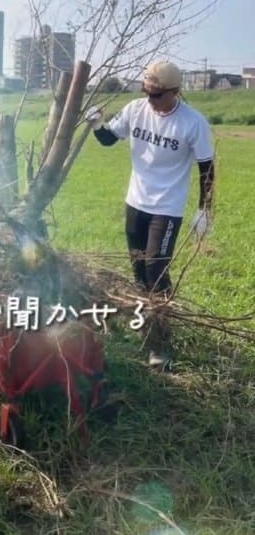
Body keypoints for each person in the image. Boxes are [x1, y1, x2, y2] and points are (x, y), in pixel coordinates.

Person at [86, 61, 215, 369]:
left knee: (156, 270)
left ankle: (160, 345)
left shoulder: (192, 123)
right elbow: (109, 139)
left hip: (167, 209)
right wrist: (96, 125)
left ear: (174, 92)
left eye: (156, 95)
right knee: (138, 270)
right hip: (136, 202)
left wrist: (204, 209)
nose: (150, 99)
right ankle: (147, 324)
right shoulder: (135, 109)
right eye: (146, 91)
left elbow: (207, 168)